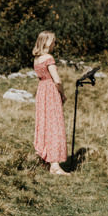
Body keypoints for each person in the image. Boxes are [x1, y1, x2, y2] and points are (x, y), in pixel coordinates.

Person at [32, 30, 69, 175]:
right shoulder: (49, 58)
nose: (54, 43)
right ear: (47, 42)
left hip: (41, 91)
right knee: (55, 125)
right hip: (51, 91)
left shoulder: (37, 59)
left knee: (44, 124)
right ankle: (55, 164)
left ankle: (45, 156)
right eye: (53, 40)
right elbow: (57, 80)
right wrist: (62, 94)